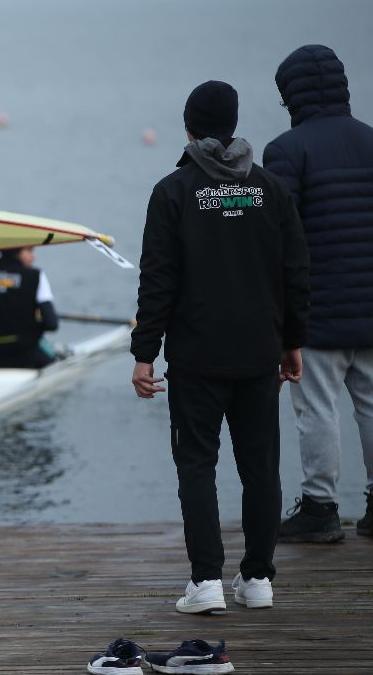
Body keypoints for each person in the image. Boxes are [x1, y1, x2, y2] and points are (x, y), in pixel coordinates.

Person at [130, 80, 309, 614]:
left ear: (189, 129)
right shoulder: (270, 190)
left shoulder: (173, 192)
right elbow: (295, 273)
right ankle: (257, 580)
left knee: (196, 466)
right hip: (259, 354)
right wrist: (292, 342)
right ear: (233, 127)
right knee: (261, 468)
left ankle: (206, 583)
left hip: (197, 359)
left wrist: (144, 352)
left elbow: (157, 279)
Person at [263, 44, 373, 543]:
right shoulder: (371, 140)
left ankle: (320, 509)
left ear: (292, 95)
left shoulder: (288, 150)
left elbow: (281, 237)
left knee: (317, 409)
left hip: (319, 310)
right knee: (371, 406)